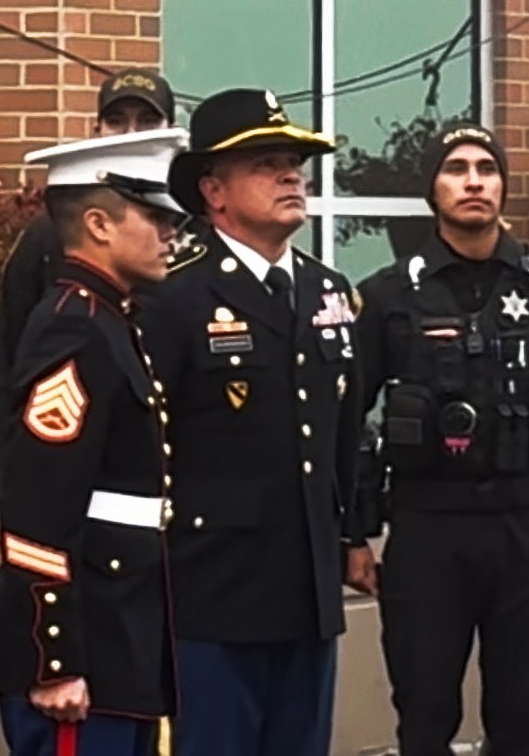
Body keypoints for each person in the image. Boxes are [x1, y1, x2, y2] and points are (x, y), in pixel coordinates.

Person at [346, 124, 529, 756]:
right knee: (424, 713)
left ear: (503, 187)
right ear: (433, 190)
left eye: (487, 170)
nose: (473, 182)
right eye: (457, 169)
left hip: (525, 524)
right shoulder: (387, 296)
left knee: (525, 714)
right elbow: (348, 417)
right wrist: (351, 535)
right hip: (426, 530)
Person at [138, 89, 363, 756]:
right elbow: (143, 444)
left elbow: (344, 431)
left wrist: (353, 533)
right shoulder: (174, 293)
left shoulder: (328, 289)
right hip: (214, 592)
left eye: (294, 163)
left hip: (308, 590)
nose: (291, 176)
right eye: (266, 163)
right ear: (214, 191)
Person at [0, 126, 190, 756]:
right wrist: (54, 659)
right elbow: (37, 507)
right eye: (155, 217)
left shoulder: (110, 320)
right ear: (98, 224)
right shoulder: (75, 328)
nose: (171, 233)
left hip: (119, 630)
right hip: (81, 644)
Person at [0, 67, 177, 515]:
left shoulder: (194, 231)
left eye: (146, 121)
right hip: (81, 481)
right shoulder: (49, 236)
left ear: (169, 129)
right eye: (117, 121)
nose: (131, 133)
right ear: (96, 128)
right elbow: (8, 360)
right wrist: (2, 491)